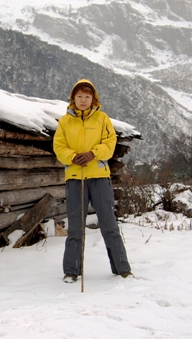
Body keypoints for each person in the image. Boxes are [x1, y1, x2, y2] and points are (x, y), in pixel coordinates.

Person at [53, 79, 132, 283]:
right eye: (79, 96)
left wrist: (93, 154)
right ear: (73, 98)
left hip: (99, 178)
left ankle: (122, 269)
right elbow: (59, 146)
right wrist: (71, 157)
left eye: (87, 97)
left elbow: (110, 143)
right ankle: (71, 271)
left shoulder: (102, 119)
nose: (83, 100)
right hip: (75, 178)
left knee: (109, 224)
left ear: (93, 99)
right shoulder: (65, 121)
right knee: (76, 227)